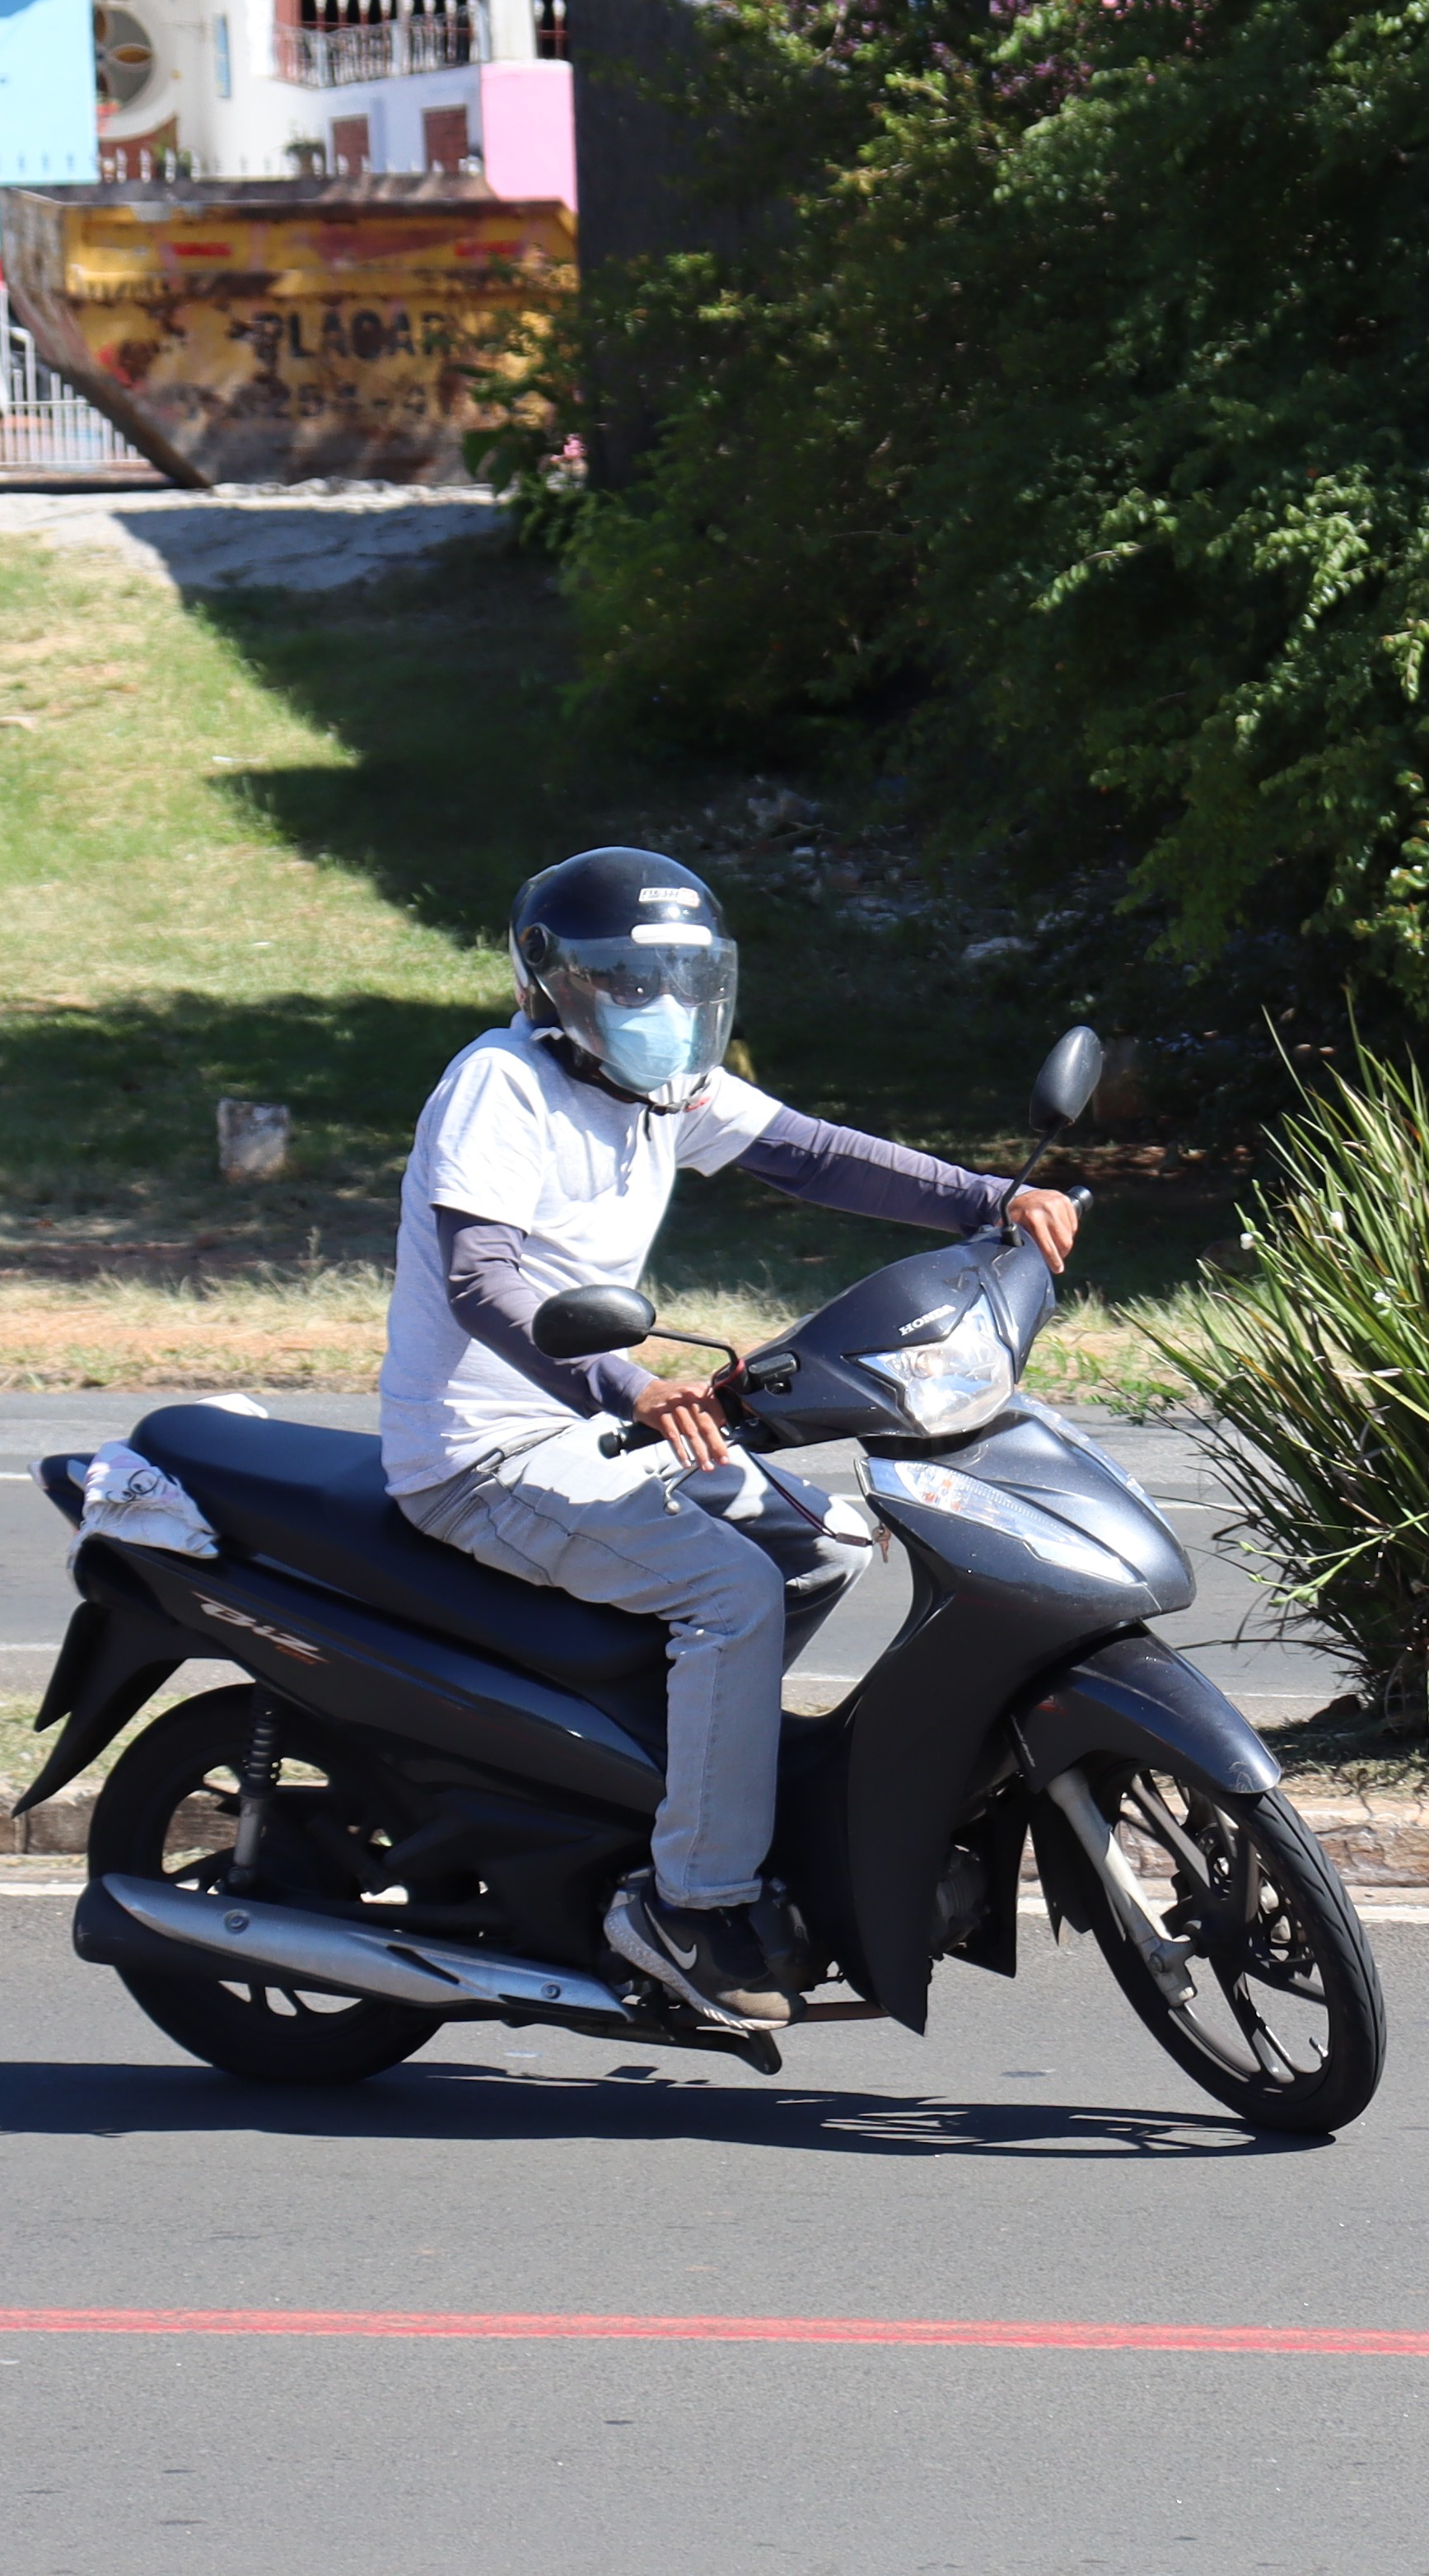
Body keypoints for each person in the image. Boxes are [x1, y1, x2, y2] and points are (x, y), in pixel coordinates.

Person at [377, 847, 1080, 2028]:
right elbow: (477, 1280)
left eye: (681, 982)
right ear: (554, 984)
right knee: (732, 1596)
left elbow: (808, 1152)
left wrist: (986, 1201)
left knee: (830, 1542)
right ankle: (687, 1907)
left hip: (589, 1436)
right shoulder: (502, 1086)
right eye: (626, 982)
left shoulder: (662, 1087)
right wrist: (626, 1383)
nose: (659, 1008)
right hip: (484, 1450)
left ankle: (685, 1778)